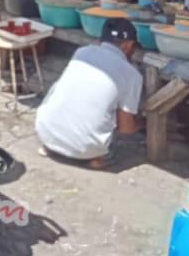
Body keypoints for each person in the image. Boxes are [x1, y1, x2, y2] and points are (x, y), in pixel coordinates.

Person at [35, 19, 143, 169]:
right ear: (129, 45)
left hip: (44, 132)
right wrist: (142, 122)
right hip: (85, 147)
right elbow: (126, 128)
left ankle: (52, 146)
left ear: (101, 40)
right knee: (119, 132)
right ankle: (96, 158)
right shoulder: (132, 74)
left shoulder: (82, 52)